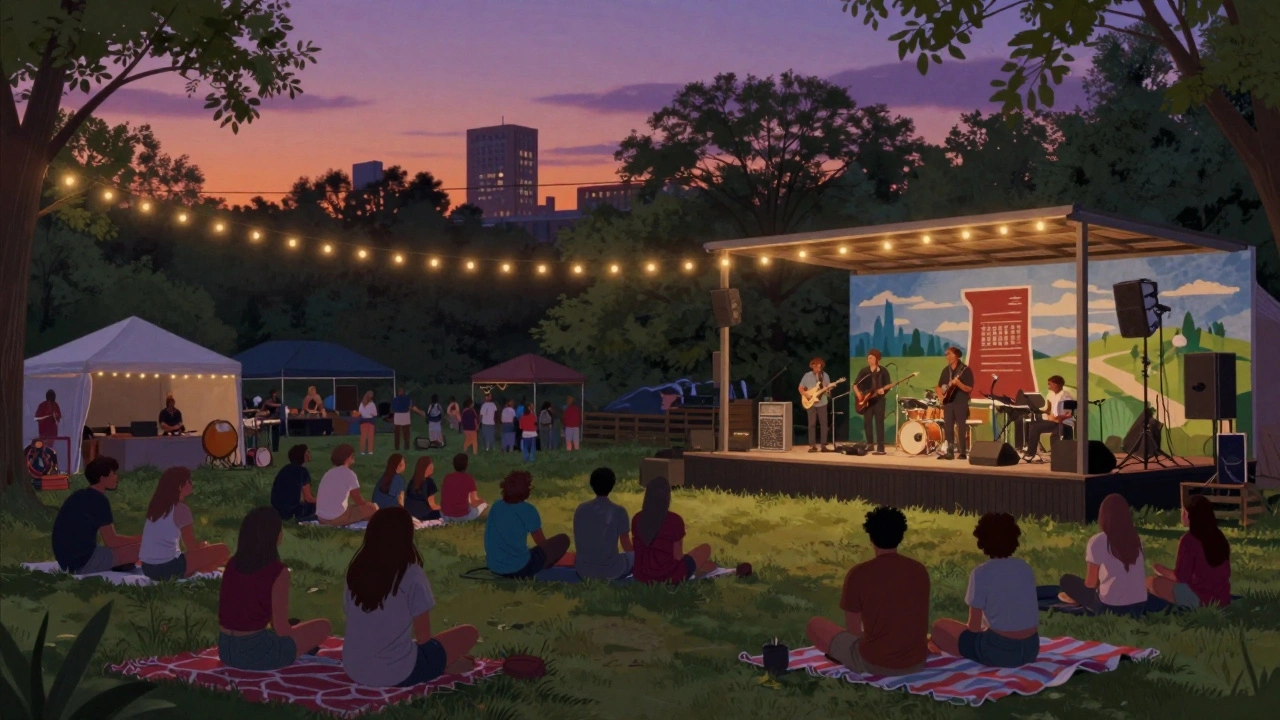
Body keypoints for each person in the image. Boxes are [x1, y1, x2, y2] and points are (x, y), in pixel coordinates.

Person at [343, 507, 479, 686]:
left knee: (440, 651)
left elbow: (350, 614)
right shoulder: (411, 573)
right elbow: (424, 637)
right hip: (397, 673)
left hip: (354, 668)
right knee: (468, 633)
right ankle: (440, 667)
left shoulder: (356, 571)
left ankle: (441, 665)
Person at [805, 506, 930, 676]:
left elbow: (853, 631)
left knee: (815, 625)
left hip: (875, 663)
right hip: (916, 662)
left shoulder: (858, 574)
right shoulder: (919, 570)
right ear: (900, 536)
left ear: (871, 538)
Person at [218, 507, 331, 670]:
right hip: (255, 654)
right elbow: (282, 630)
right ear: (273, 536)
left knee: (295, 628)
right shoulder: (277, 572)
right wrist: (297, 636)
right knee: (323, 626)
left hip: (225, 649)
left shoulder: (232, 564)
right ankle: (297, 649)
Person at [929, 513, 1038, 667]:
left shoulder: (981, 573)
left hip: (999, 652)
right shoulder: (1025, 568)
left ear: (982, 541)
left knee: (939, 626)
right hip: (1031, 648)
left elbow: (973, 628)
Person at [1059, 493, 1147, 616]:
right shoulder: (1136, 540)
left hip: (1110, 607)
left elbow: (1091, 583)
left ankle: (1078, 599)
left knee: (1066, 580)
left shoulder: (1098, 541)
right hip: (1138, 606)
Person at [51, 456, 142, 574]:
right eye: (113, 473)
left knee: (125, 550)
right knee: (141, 548)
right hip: (83, 561)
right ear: (101, 478)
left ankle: (121, 563)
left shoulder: (80, 495)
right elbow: (111, 541)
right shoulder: (99, 500)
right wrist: (139, 539)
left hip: (67, 560)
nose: (116, 477)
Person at [140, 466, 230, 580]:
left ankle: (205, 569)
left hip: (148, 568)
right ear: (179, 486)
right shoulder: (181, 509)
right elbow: (191, 546)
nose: (191, 484)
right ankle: (207, 570)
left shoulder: (156, 507)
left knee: (201, 555)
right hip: (167, 568)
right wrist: (203, 547)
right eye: (189, 481)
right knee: (223, 549)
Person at [1147, 495, 1232, 608]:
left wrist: (1160, 569)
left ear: (1190, 516)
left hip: (1200, 598)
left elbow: (1181, 577)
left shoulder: (1189, 540)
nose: (1182, 515)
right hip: (1222, 598)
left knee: (1152, 582)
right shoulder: (1219, 536)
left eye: (1184, 512)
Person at [484, 471, 572, 578]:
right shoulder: (528, 510)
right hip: (519, 568)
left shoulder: (496, 506)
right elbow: (542, 543)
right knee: (563, 539)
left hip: (494, 566)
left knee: (530, 552)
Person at [631, 476, 716, 585]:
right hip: (670, 577)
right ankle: (700, 570)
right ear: (667, 497)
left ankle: (701, 568)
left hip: (641, 575)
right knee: (705, 549)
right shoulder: (674, 520)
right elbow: (678, 556)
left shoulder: (637, 518)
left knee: (706, 563)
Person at [573, 467, 634, 581]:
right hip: (610, 570)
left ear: (592, 484)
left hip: (583, 569)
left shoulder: (581, 509)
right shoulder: (619, 511)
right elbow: (626, 544)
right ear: (612, 484)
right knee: (635, 556)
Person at [316, 443, 378, 527]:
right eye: (351, 455)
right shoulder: (349, 474)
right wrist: (368, 505)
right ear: (346, 457)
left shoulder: (328, 473)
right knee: (372, 508)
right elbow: (357, 498)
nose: (353, 456)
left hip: (321, 518)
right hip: (336, 518)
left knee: (356, 508)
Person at [936, 347, 974, 461]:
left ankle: (962, 452)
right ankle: (950, 452)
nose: (946, 356)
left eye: (949, 354)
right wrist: (941, 396)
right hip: (948, 403)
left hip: (961, 402)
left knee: (961, 428)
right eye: (946, 354)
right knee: (948, 427)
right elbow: (939, 386)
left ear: (956, 356)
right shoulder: (945, 370)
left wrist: (959, 384)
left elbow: (969, 388)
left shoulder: (965, 370)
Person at [1024, 375, 1074, 460]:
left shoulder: (1067, 396)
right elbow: (1047, 409)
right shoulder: (1050, 394)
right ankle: (1030, 454)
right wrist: (1036, 410)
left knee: (1055, 435)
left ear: (1056, 384)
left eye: (1050, 384)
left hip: (1064, 423)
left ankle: (1056, 456)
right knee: (1034, 427)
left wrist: (1058, 419)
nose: (1048, 386)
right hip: (1053, 422)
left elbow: (1069, 414)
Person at [853, 350, 891, 455]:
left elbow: (888, 384)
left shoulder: (883, 371)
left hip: (879, 400)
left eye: (871, 358)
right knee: (867, 423)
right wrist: (859, 395)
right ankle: (870, 444)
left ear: (877, 359)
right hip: (867, 400)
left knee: (879, 423)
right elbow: (855, 385)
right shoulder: (864, 371)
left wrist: (884, 390)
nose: (869, 360)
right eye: (868, 358)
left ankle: (881, 447)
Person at [271, 444, 318, 522]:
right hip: (291, 512)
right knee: (314, 506)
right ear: (302, 456)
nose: (309, 454)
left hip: (277, 510)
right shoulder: (303, 471)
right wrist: (322, 500)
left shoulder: (285, 468)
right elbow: (308, 498)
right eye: (307, 452)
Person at [798, 357, 834, 453]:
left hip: (822, 402)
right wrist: (807, 395)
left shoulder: (825, 375)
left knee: (824, 424)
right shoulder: (807, 375)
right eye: (815, 365)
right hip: (811, 403)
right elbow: (800, 388)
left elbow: (827, 390)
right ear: (812, 366)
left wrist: (828, 390)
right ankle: (812, 445)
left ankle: (823, 445)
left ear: (821, 366)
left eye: (819, 365)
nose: (817, 367)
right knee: (812, 424)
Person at [440, 453, 487, 522]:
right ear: (466, 465)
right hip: (462, 516)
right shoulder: (468, 478)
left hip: (445, 515)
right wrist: (482, 501)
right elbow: (474, 501)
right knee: (483, 505)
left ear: (454, 465)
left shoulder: (447, 478)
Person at [404, 456, 442, 522]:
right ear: (426, 468)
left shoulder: (412, 481)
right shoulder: (429, 482)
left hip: (409, 512)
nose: (433, 467)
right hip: (423, 515)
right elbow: (432, 505)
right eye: (431, 465)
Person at [357, 390, 378, 455]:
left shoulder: (361, 404)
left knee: (363, 436)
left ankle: (362, 451)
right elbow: (375, 414)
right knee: (370, 436)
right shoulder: (372, 404)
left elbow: (359, 412)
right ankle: (370, 451)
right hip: (370, 421)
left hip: (363, 421)